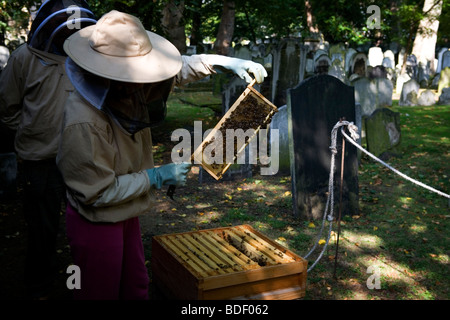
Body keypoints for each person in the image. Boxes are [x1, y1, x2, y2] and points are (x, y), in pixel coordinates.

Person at [56, 10, 267, 300]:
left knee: (136, 286)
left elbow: (173, 70)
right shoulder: (82, 120)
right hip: (95, 220)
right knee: (97, 291)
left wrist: (223, 62)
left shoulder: (129, 82)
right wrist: (156, 176)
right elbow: (96, 193)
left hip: (126, 209)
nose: (144, 82)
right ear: (109, 72)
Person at [0, 0, 97, 299]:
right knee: (42, 229)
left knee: (86, 226)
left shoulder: (87, 58)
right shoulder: (24, 58)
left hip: (81, 158)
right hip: (39, 161)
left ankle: (81, 282)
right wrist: (33, 132)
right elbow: (7, 107)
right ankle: (40, 285)